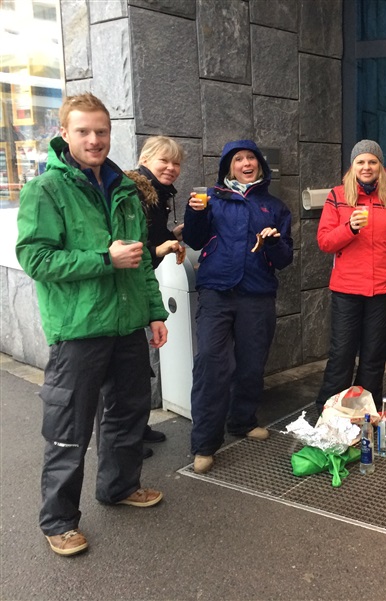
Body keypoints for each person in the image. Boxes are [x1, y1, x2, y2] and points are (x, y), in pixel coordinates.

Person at [16, 93, 167, 557]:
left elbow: (141, 262)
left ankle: (119, 486)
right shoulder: (46, 190)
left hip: (126, 325)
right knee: (70, 427)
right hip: (79, 330)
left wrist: (155, 312)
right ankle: (59, 520)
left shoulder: (124, 189)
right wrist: (104, 259)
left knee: (128, 413)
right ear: (64, 133)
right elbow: (36, 259)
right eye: (83, 131)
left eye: (101, 131)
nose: (94, 139)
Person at [182, 140, 293, 474]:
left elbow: (284, 259)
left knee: (251, 363)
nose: (246, 164)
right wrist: (194, 214)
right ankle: (204, 444)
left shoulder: (274, 207)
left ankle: (242, 421)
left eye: (251, 158)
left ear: (260, 164)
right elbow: (194, 240)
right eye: (238, 159)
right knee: (210, 364)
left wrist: (273, 243)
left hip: (257, 293)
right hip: (216, 291)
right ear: (228, 167)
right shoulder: (212, 199)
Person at [315, 140, 386, 414]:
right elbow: (325, 242)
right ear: (353, 166)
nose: (366, 167)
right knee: (342, 354)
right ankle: (330, 411)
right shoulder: (337, 196)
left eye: (372, 161)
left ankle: (365, 411)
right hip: (347, 288)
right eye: (361, 162)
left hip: (384, 289)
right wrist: (349, 228)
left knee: (374, 355)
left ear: (380, 166)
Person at [125, 135, 187, 456]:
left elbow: (152, 235)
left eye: (176, 163)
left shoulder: (158, 194)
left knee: (135, 368)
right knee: (126, 372)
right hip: (126, 290)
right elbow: (130, 248)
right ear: (145, 159)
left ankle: (136, 429)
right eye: (164, 160)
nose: (171, 167)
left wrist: (171, 235)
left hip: (139, 289)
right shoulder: (135, 193)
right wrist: (158, 249)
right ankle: (126, 441)